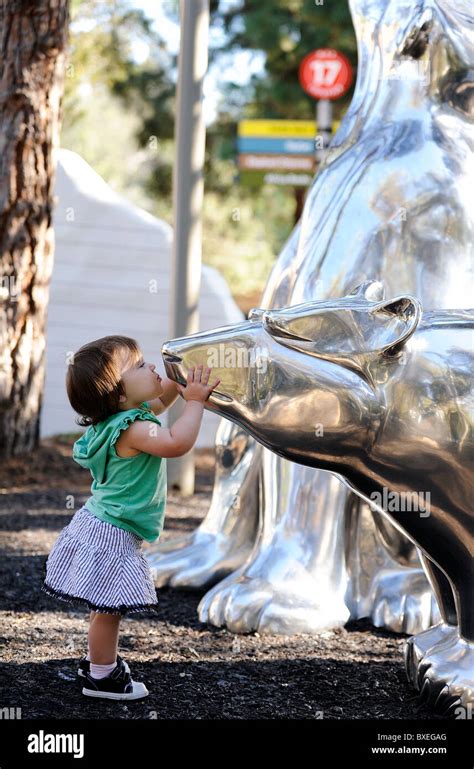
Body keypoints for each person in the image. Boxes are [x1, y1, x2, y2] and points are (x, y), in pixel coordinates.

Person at [41, 334, 220, 701]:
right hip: (112, 532)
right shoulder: (136, 430)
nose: (150, 365)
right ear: (120, 395)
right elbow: (175, 443)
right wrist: (196, 403)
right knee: (110, 609)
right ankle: (102, 677)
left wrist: (179, 377)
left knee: (102, 606)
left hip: (101, 524)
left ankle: (96, 661)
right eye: (139, 366)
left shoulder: (120, 421)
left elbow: (160, 399)